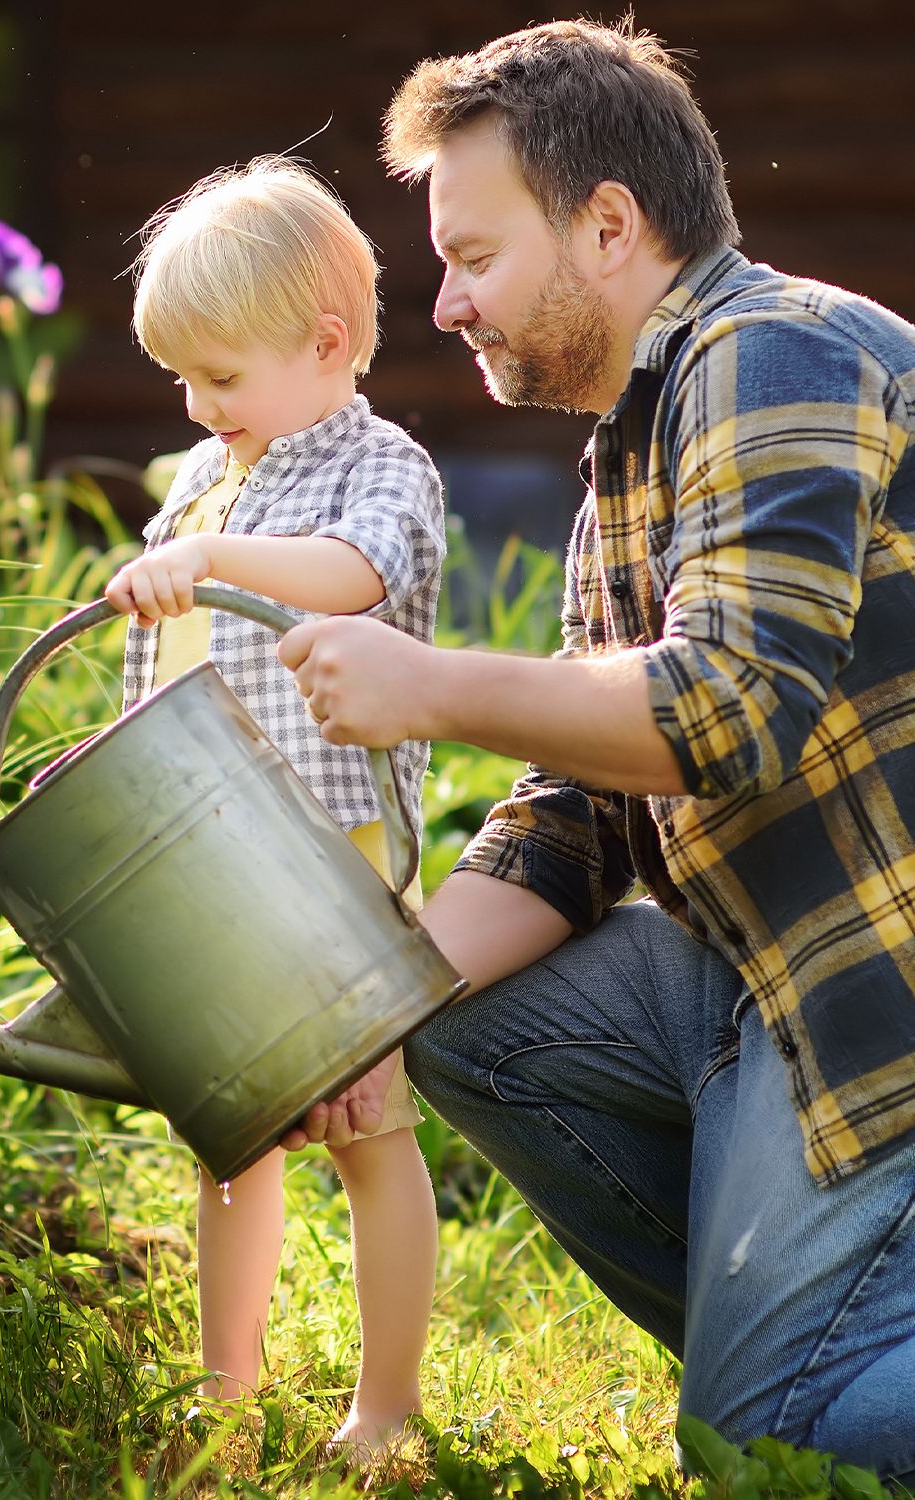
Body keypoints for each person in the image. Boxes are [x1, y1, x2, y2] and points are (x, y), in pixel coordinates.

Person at [277, 18, 915, 1483]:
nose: (444, 305)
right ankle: (820, 1327)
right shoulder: (624, 464)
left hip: (880, 993)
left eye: (475, 257)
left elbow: (731, 707)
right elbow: (581, 813)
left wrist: (430, 687)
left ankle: (806, 1368)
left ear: (609, 225)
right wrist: (359, 1011)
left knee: (769, 1458)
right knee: (459, 1020)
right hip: (776, 980)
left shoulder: (775, 352)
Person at [103, 155, 447, 1454]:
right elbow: (174, 665)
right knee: (231, 1142)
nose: (200, 406)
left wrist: (203, 558)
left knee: (369, 1133)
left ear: (325, 342)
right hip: (213, 868)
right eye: (182, 381)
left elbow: (354, 580)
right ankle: (228, 1395)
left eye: (222, 378)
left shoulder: (384, 469)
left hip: (336, 866)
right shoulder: (205, 481)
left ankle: (387, 1409)